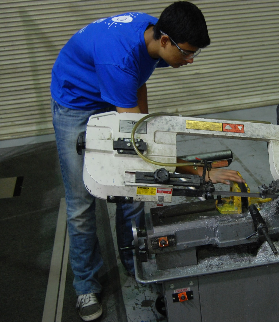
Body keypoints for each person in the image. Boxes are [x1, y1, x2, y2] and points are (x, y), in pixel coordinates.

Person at [50, 2, 244, 321]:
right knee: (82, 204)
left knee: (133, 188)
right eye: (186, 52)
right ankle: (86, 284)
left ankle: (135, 259)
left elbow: (137, 90)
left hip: (113, 85)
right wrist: (199, 172)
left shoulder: (152, 36)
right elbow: (138, 148)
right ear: (165, 41)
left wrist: (145, 127)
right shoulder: (120, 59)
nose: (190, 60)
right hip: (76, 103)